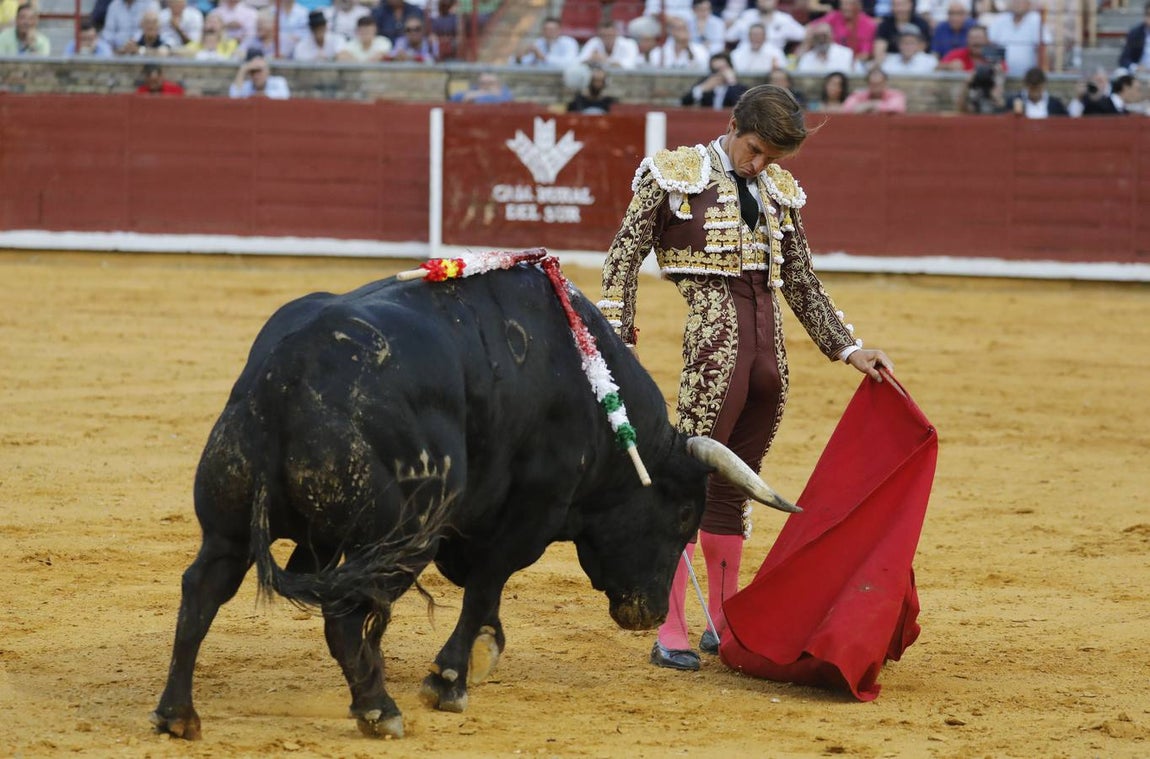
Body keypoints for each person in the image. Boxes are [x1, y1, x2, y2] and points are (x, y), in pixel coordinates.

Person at [599, 84, 893, 672]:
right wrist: (616, 340)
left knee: (737, 487)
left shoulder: (779, 191)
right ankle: (674, 625)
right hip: (713, 348)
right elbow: (622, 257)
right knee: (689, 480)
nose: (758, 165)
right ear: (734, 125)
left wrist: (849, 348)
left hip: (769, 354)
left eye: (771, 159)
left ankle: (726, 622)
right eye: (755, 150)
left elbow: (803, 281)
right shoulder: (672, 173)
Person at [986, 0, 1049, 76]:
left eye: (1021, 1)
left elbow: (1043, 48)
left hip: (1029, 78)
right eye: (1014, 1)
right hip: (1002, 76)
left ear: (1029, 4)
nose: (1017, 4)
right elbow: (991, 44)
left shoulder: (1036, 19)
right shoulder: (1000, 20)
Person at [818, 0, 878, 65]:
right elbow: (812, 27)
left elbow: (865, 55)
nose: (846, 7)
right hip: (830, 61)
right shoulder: (834, 16)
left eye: (850, 4)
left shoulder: (868, 24)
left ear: (858, 6)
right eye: (843, 4)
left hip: (857, 64)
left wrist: (845, 62)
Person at [681, 52, 749, 109]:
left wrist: (732, 82)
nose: (719, 73)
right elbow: (684, 102)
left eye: (722, 69)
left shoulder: (739, 87)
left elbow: (742, 108)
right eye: (715, 70)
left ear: (730, 68)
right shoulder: (706, 82)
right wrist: (702, 89)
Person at [509, 16, 579, 67]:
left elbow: (570, 63)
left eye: (552, 29)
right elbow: (526, 62)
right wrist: (519, 58)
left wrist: (544, 58)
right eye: (546, 29)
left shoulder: (569, 42)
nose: (549, 32)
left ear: (559, 30)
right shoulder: (539, 42)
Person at [841, 65, 906, 112]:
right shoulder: (858, 94)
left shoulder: (896, 94)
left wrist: (870, 105)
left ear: (885, 83)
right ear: (868, 84)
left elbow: (898, 108)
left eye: (879, 84)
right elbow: (847, 108)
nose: (876, 87)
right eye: (873, 84)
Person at [1118, 1, 1150, 73]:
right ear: (1145, 16)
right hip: (1140, 72)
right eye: (1149, 14)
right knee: (1120, 72)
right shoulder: (1135, 33)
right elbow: (1124, 59)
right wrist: (1136, 67)